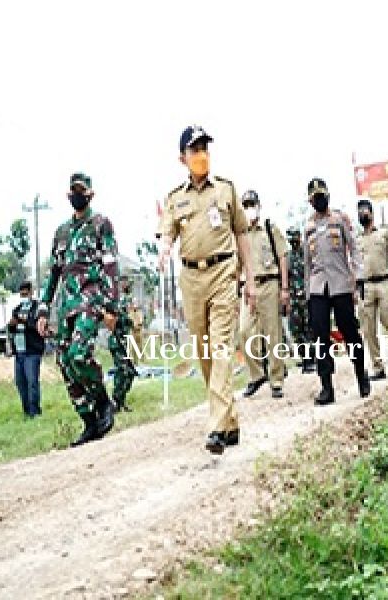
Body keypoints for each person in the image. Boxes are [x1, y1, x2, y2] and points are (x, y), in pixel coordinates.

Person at [158, 125, 255, 454]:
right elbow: (167, 232)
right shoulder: (175, 198)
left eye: (204, 147)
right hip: (191, 280)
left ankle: (215, 425)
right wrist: (163, 250)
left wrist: (250, 279)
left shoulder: (226, 190)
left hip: (224, 273)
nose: (201, 154)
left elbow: (242, 233)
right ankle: (230, 421)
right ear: (182, 158)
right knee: (203, 352)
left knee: (221, 348)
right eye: (194, 149)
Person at [36, 172, 119, 447]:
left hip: (91, 299)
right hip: (65, 305)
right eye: (73, 191)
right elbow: (53, 274)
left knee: (79, 353)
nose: (76, 195)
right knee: (64, 361)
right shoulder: (61, 232)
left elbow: (110, 266)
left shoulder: (100, 224)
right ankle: (89, 420)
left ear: (91, 194)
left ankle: (103, 401)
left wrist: (111, 307)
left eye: (81, 190)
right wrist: (44, 310)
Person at [304, 178, 370, 405]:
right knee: (321, 337)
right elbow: (307, 264)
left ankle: (361, 375)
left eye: (322, 195)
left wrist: (358, 277)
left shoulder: (340, 220)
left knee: (349, 331)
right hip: (318, 287)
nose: (319, 199)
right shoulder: (309, 227)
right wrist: (307, 295)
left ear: (328, 196)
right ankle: (326, 387)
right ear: (310, 201)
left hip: (341, 284)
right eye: (315, 197)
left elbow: (354, 249)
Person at [239, 190, 289, 399]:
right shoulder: (239, 234)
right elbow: (237, 263)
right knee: (244, 332)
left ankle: (276, 380)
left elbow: (282, 256)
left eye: (252, 204)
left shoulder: (270, 228)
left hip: (269, 284)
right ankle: (256, 375)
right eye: (246, 205)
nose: (250, 208)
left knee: (272, 334)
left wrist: (284, 289)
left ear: (259, 205)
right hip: (248, 288)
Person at [355, 198, 388, 380]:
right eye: (360, 211)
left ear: (371, 213)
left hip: (384, 282)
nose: (362, 214)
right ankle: (378, 367)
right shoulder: (357, 240)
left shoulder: (384, 232)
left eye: (365, 210)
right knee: (368, 329)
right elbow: (353, 263)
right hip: (365, 286)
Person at [9, 281, 46, 418]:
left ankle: (35, 411)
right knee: (20, 383)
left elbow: (38, 327)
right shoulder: (17, 309)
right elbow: (13, 328)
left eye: (26, 294)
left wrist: (23, 321)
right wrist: (12, 324)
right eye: (21, 294)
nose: (23, 296)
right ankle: (26, 411)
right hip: (19, 351)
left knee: (32, 382)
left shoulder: (38, 308)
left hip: (32, 351)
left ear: (31, 292)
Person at [108, 274, 138, 412]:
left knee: (130, 372)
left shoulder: (129, 299)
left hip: (126, 341)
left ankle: (121, 399)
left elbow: (135, 317)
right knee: (122, 370)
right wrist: (130, 318)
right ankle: (115, 402)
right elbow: (120, 317)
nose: (127, 285)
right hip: (117, 341)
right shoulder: (115, 300)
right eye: (125, 282)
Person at [286, 227, 314, 374]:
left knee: (310, 329)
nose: (292, 240)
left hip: (308, 298)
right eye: (290, 237)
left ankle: (312, 359)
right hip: (294, 300)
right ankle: (304, 359)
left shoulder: (307, 254)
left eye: (294, 236)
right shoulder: (288, 257)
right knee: (297, 330)